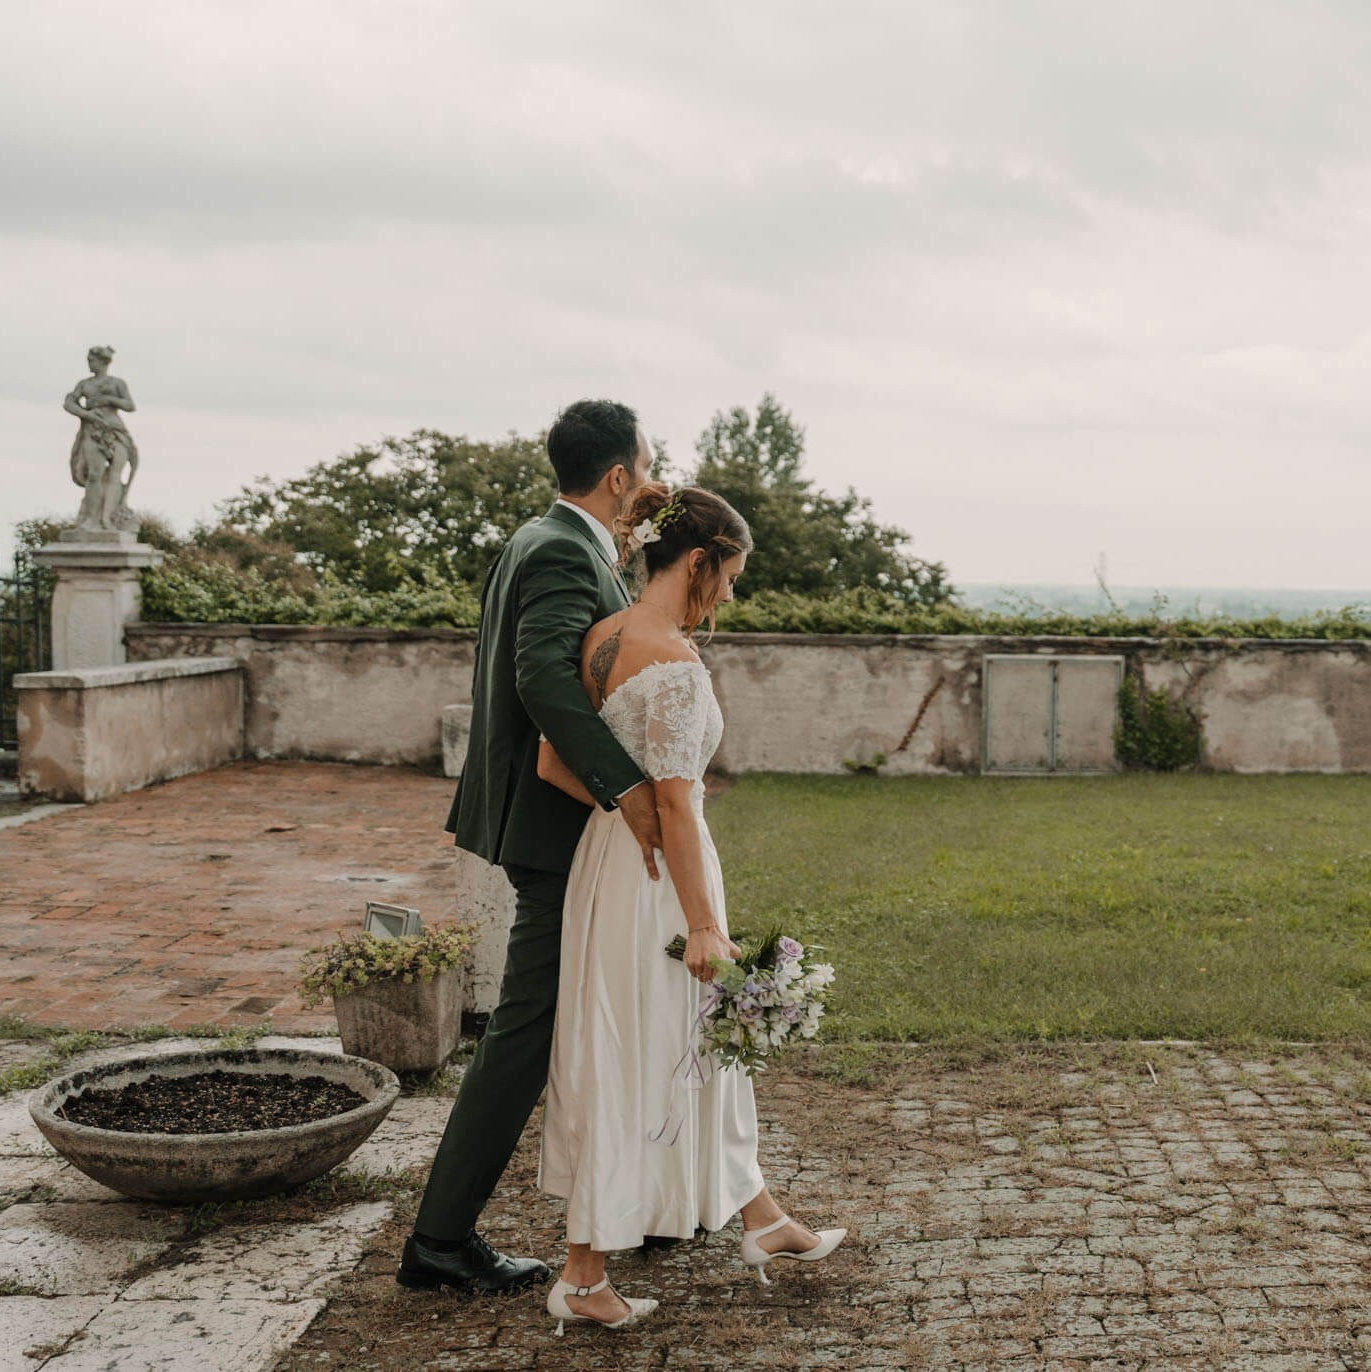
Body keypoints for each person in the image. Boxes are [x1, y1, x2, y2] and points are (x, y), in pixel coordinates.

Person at [535, 484, 846, 1334]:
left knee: (673, 1046)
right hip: (661, 883)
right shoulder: (669, 660)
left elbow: (554, 762)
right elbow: (675, 805)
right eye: (731, 575)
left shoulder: (604, 639)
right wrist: (705, 922)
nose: (731, 594)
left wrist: (623, 805)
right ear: (700, 561)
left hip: (608, 863)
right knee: (648, 1051)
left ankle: (762, 1216)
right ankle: (582, 1273)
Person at [400, 399, 663, 1294]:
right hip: (550, 823)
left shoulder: (547, 539)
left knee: (581, 1012)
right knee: (525, 1028)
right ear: (618, 475)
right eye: (646, 463)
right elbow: (542, 675)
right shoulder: (559, 548)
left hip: (540, 818)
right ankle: (437, 1242)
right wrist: (627, 787)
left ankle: (651, 1200)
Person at [63, 346, 140, 532]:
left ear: (103, 362)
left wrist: (110, 400)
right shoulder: (84, 384)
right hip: (92, 431)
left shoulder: (117, 383)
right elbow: (68, 402)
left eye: (92, 360)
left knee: (115, 475)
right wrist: (86, 414)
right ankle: (91, 519)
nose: (89, 363)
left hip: (115, 431)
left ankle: (107, 518)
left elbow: (130, 405)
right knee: (95, 474)